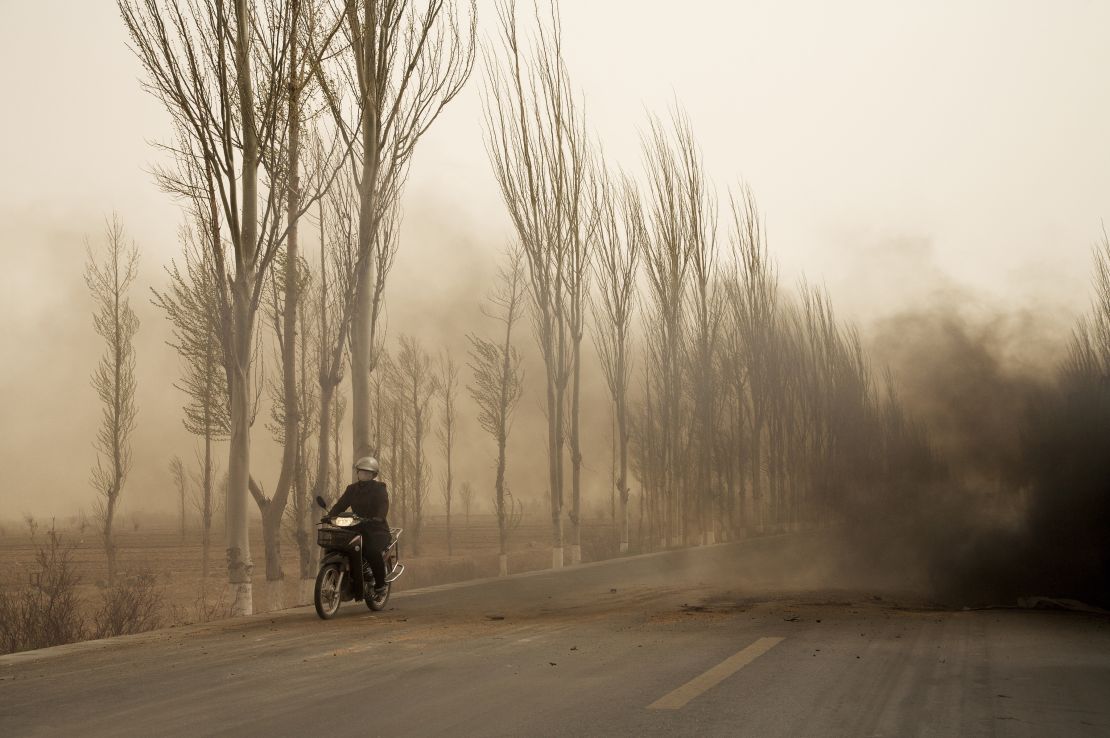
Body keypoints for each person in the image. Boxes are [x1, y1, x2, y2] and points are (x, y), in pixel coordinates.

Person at [329, 456, 391, 597]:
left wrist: (379, 517)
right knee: (338, 545)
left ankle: (380, 586)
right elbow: (341, 505)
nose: (364, 475)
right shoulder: (351, 489)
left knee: (371, 551)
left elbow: (383, 504)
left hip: (376, 528)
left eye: (368, 473)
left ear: (373, 475)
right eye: (361, 472)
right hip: (356, 526)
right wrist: (330, 515)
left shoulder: (379, 488)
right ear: (357, 473)